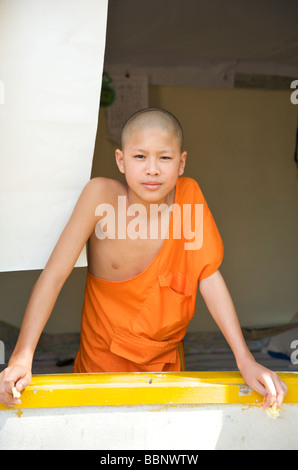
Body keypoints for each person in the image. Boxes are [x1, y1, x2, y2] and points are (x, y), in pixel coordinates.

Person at [0, 108, 288, 408]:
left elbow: (209, 276)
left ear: (181, 163)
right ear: (121, 161)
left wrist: (245, 360)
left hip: (167, 368)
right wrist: (22, 356)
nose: (152, 169)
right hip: (102, 367)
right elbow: (54, 275)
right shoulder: (101, 198)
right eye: (140, 157)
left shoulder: (188, 198)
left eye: (164, 158)